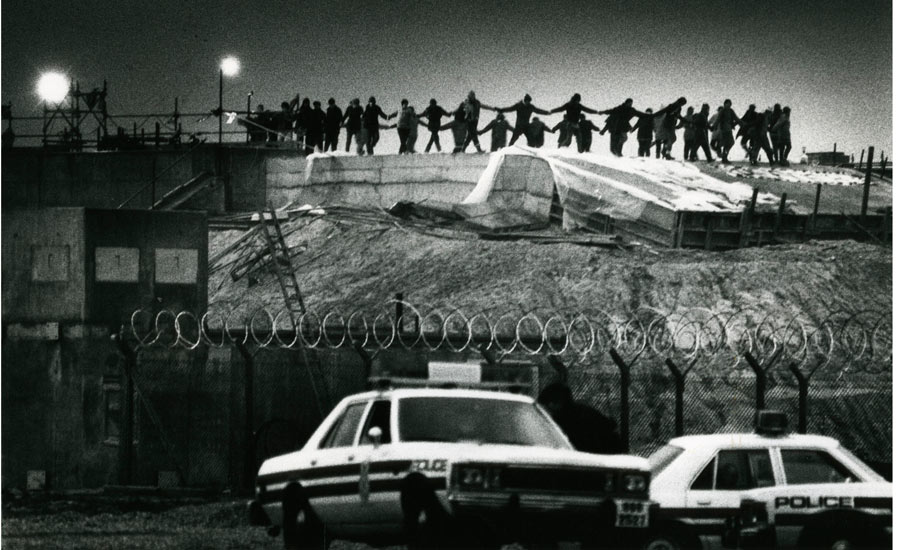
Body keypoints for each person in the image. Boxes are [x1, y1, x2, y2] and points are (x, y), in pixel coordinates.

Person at [537, 382, 623, 454]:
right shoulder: (586, 412)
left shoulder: (563, 421)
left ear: (554, 404)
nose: (545, 411)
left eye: (547, 406)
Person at [716, 99, 743, 163]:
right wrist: (714, 127)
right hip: (724, 130)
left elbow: (736, 118)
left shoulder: (731, 111)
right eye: (727, 104)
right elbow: (718, 120)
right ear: (725, 104)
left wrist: (741, 123)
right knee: (729, 143)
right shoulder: (722, 111)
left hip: (729, 129)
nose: (729, 105)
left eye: (730, 104)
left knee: (729, 143)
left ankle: (724, 157)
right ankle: (723, 156)